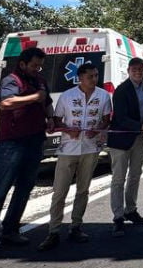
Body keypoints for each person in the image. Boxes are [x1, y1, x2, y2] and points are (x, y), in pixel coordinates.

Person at [0, 46, 51, 257]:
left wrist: (51, 118)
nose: (38, 69)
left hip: (35, 141)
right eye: (34, 65)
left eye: (40, 66)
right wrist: (33, 98)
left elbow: (47, 103)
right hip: (12, 144)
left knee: (25, 188)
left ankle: (10, 229)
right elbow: (6, 103)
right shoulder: (11, 81)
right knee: (1, 189)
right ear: (23, 64)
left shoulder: (40, 81)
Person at [38, 62, 112, 251]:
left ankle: (76, 226)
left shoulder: (104, 96)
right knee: (59, 191)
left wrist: (98, 130)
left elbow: (106, 119)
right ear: (80, 78)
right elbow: (56, 120)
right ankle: (53, 231)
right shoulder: (67, 96)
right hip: (68, 149)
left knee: (83, 190)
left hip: (91, 148)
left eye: (96, 76)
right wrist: (68, 130)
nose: (94, 79)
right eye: (90, 76)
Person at [106, 57, 143, 236]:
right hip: (121, 140)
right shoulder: (121, 90)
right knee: (118, 179)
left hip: (139, 139)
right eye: (134, 69)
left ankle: (130, 210)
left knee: (135, 176)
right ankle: (118, 217)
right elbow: (121, 117)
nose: (138, 72)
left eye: (140, 69)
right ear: (128, 71)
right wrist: (141, 126)